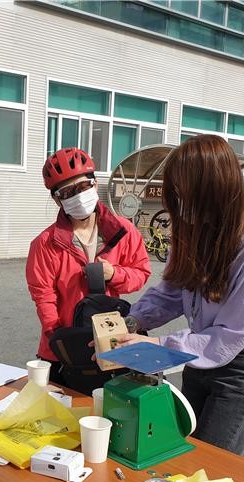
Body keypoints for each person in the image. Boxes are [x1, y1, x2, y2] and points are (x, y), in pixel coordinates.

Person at [113, 134, 244, 455]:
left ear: (214, 190)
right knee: (183, 449)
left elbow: (230, 335)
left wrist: (159, 345)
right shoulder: (193, 232)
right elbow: (171, 292)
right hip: (200, 352)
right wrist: (130, 324)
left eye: (185, 194)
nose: (180, 203)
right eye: (176, 194)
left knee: (211, 461)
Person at [26, 147, 151, 391]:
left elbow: (141, 273)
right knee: (59, 409)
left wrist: (114, 274)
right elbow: (44, 297)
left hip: (111, 340)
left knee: (112, 406)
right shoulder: (44, 244)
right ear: (57, 199)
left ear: (95, 184)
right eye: (67, 192)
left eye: (83, 186)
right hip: (64, 347)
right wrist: (60, 340)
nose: (78, 195)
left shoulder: (123, 231)